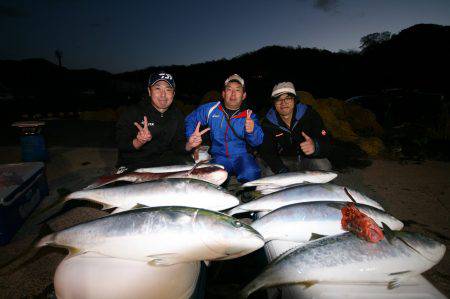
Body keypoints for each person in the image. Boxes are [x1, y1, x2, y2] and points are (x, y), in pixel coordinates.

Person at [185, 74, 263, 183]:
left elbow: (257, 142)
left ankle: (247, 193)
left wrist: (251, 131)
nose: (233, 94)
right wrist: (191, 136)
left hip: (241, 156)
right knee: (213, 178)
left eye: (237, 90)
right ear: (223, 93)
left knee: (252, 173)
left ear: (244, 95)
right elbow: (191, 119)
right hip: (219, 156)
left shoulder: (249, 115)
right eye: (229, 89)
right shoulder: (211, 109)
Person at [116, 71, 191, 171]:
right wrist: (138, 141)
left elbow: (178, 145)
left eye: (168, 90)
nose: (163, 95)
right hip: (134, 164)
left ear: (173, 94)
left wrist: (189, 145)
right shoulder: (133, 112)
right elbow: (121, 143)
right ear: (149, 91)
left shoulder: (177, 115)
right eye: (157, 88)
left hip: (163, 164)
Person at [258, 81, 332, 174]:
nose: (283, 103)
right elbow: (267, 152)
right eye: (278, 99)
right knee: (270, 172)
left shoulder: (310, 115)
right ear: (274, 103)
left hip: (307, 160)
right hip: (284, 161)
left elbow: (327, 143)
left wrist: (315, 146)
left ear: (295, 100)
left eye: (288, 98)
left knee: (323, 165)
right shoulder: (268, 123)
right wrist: (281, 170)